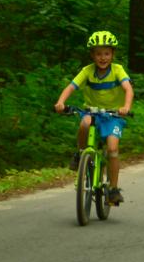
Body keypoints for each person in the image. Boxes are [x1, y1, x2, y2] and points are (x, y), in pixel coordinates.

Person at [54, 30, 133, 205]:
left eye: (106, 53)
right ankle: (80, 154)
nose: (102, 58)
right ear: (92, 55)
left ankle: (113, 189)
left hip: (113, 115)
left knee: (112, 149)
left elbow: (128, 89)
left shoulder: (118, 70)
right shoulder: (87, 71)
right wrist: (61, 102)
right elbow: (71, 87)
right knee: (84, 123)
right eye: (98, 54)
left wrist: (126, 107)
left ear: (112, 54)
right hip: (92, 112)